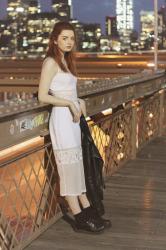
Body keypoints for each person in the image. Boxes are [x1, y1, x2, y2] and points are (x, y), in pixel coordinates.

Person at [38, 21, 110, 234]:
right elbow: (43, 96)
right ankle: (80, 218)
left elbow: (66, 90)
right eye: (64, 38)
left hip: (72, 120)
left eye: (71, 38)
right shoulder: (50, 62)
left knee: (77, 168)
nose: (69, 42)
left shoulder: (65, 61)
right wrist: (70, 103)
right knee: (68, 171)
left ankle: (89, 212)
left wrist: (78, 100)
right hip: (61, 120)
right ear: (54, 40)